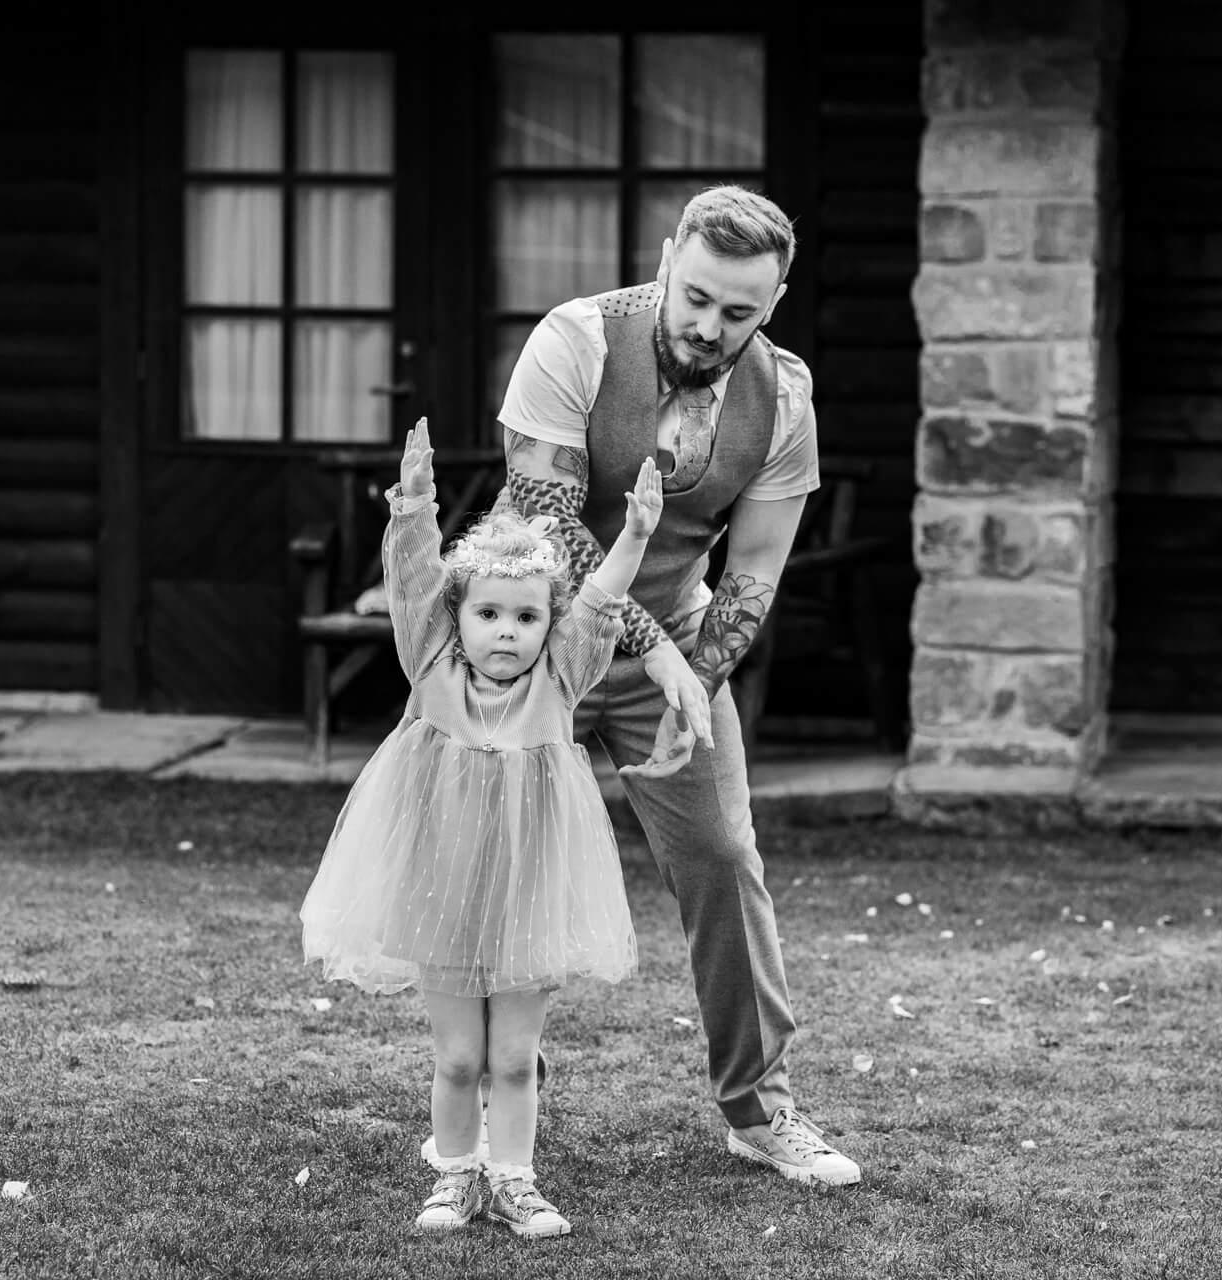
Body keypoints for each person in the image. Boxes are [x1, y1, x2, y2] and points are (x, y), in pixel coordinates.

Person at [487, 184, 862, 1186]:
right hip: (528, 642)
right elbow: (549, 526)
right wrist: (648, 647)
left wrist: (687, 681)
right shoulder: (574, 341)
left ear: (772, 302)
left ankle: (758, 1107)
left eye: (738, 311)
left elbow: (751, 575)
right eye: (694, 296)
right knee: (504, 870)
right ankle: (496, 1096)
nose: (708, 325)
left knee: (725, 861)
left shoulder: (783, 395)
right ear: (665, 260)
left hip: (673, 653)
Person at [300, 419, 665, 1238]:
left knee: (512, 1058)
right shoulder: (431, 665)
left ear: (548, 627)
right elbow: (413, 579)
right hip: (444, 897)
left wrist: (636, 534)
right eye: (491, 614)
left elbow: (600, 600)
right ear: (458, 619)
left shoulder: (561, 679)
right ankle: (456, 1177)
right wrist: (418, 504)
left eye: (527, 618)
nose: (508, 631)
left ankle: (515, 1181)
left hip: (530, 899)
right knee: (460, 1057)